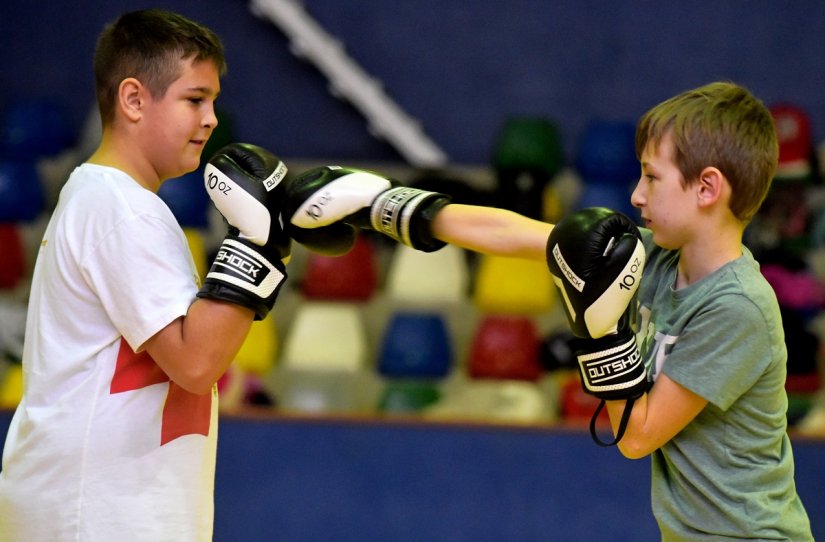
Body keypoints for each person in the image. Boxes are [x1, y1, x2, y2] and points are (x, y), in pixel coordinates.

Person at [279, 81, 813, 540]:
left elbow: (638, 436)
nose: (636, 194)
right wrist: (391, 206)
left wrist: (601, 335)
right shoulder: (655, 259)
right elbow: (514, 233)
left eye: (651, 177)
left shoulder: (737, 308)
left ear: (707, 187)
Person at [0, 10, 290, 541]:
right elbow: (196, 363)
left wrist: (264, 247)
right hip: (97, 510)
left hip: (94, 504)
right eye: (194, 99)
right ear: (133, 99)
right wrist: (260, 243)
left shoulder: (104, 199)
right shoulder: (124, 208)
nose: (210, 119)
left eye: (213, 102)